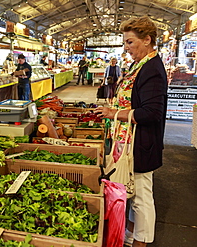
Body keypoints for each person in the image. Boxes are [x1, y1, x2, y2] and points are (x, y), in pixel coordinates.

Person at [95, 16, 168, 247]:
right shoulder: (140, 64)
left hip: (142, 143)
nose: (126, 48)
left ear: (147, 40)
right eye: (125, 43)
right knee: (132, 191)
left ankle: (142, 241)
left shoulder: (153, 69)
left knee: (142, 195)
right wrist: (114, 108)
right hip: (128, 142)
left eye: (130, 42)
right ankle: (132, 232)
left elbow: (151, 113)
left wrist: (114, 114)